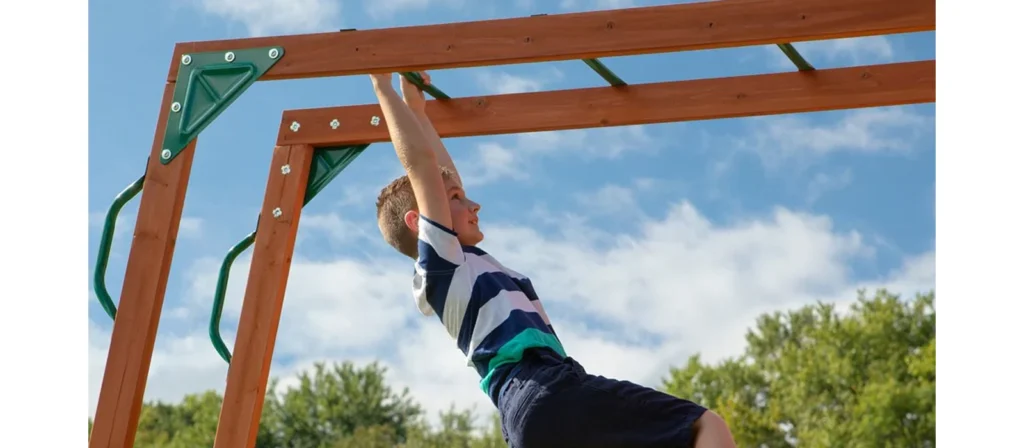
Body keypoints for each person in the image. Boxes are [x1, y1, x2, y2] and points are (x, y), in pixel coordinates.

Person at [369, 71, 737, 448]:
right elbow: (422, 165)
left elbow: (441, 174)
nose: (474, 204)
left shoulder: (459, 268)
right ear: (420, 223)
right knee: (704, 427)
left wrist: (418, 111)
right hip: (546, 387)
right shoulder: (443, 263)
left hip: (524, 416)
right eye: (456, 199)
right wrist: (382, 85)